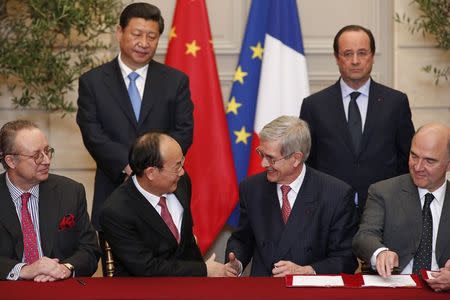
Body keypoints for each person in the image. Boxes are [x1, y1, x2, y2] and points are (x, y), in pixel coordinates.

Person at [76, 2, 194, 231]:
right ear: (120, 32)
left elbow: (183, 130)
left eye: (152, 36)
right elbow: (92, 133)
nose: (144, 43)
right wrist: (131, 165)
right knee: (115, 262)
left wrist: (154, 168)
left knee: (170, 263)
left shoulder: (175, 81)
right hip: (113, 187)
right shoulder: (93, 82)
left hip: (165, 190)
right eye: (137, 34)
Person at [225, 116, 358, 277]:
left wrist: (306, 270)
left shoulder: (336, 194)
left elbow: (345, 259)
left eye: (271, 158)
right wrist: (236, 264)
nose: (263, 164)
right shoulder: (251, 188)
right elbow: (242, 239)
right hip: (263, 290)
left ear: (296, 159)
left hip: (310, 293)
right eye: (261, 154)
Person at [300, 24, 414, 211]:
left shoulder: (396, 102)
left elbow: (407, 159)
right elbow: (308, 164)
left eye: (362, 53)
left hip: (385, 209)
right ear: (337, 58)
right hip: (329, 211)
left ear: (372, 56)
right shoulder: (314, 106)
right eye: (347, 54)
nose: (355, 60)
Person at [99, 132, 225, 277]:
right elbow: (146, 268)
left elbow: (186, 244)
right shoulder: (116, 211)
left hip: (191, 285)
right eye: (177, 166)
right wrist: (204, 270)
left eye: (182, 163)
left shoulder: (181, 184)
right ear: (151, 173)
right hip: (143, 291)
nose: (182, 172)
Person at [353, 123, 450, 290]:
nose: (418, 167)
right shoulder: (383, 191)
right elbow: (364, 237)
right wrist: (380, 253)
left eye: (429, 161)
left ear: (448, 165)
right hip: (393, 289)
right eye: (414, 156)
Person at [0, 120, 100, 281]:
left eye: (47, 151)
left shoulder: (70, 192)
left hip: (60, 288)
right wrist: (24, 270)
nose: (46, 160)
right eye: (37, 156)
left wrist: (65, 268)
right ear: (11, 161)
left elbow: (90, 250)